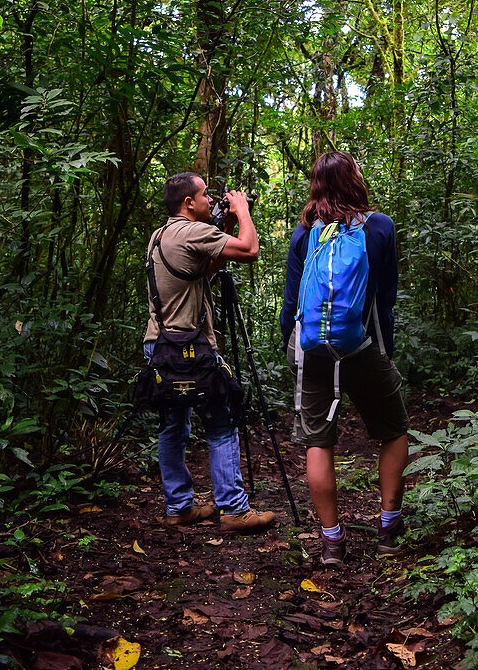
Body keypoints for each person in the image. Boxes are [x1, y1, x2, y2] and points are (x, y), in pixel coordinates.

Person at [280, 152, 409, 566]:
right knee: (393, 429)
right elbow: (385, 299)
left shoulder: (304, 235)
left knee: (318, 441)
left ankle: (332, 542)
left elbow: (289, 306)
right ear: (356, 180)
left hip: (314, 350)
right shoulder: (379, 228)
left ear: (315, 185)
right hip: (363, 345)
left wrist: (295, 349)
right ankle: (389, 528)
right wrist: (384, 349)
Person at [144, 172, 275, 534]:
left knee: (172, 427)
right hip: (192, 349)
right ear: (189, 202)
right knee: (221, 422)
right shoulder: (192, 232)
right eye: (205, 195)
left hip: (160, 346)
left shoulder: (162, 235)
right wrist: (243, 211)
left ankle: (179, 507)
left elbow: (207, 266)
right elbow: (249, 250)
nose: (210, 200)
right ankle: (233, 509)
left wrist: (226, 223)